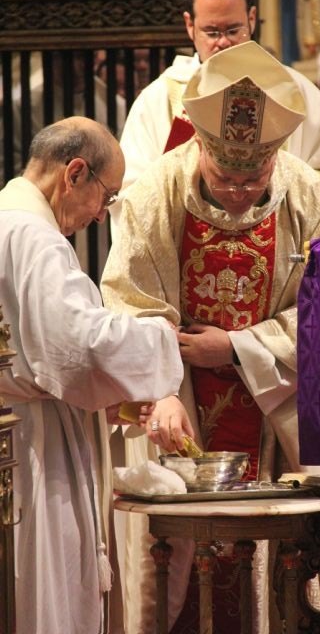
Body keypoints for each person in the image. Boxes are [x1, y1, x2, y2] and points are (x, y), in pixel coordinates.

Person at [102, 41, 320, 634]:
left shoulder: (311, 195)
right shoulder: (155, 192)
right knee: (179, 576)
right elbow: (132, 303)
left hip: (275, 418)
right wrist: (158, 392)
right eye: (225, 175)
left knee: (277, 582)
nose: (237, 190)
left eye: (252, 176)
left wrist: (236, 347)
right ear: (200, 146)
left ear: (276, 158)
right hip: (180, 405)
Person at [0, 116, 191, 634]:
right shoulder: (33, 237)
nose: (102, 216)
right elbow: (76, 352)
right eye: (105, 197)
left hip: (22, 421)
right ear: (75, 173)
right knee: (45, 591)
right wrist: (160, 342)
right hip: (33, 444)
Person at [114, 0, 320, 237]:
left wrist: (277, 181)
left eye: (234, 31)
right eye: (212, 32)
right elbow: (128, 196)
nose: (223, 42)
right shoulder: (159, 99)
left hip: (279, 258)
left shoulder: (293, 91)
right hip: (188, 260)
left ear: (252, 19)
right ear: (190, 25)